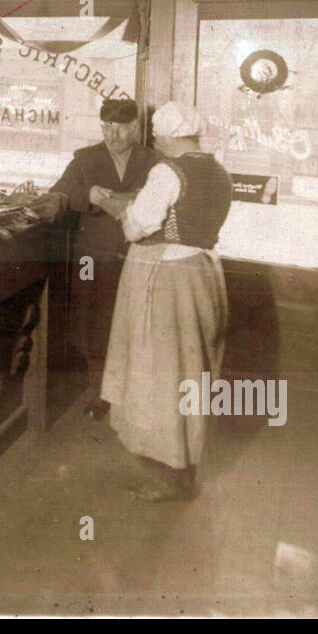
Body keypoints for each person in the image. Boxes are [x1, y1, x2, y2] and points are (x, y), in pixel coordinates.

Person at [97, 100, 234, 502]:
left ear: (172, 136)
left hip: (166, 276)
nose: (156, 140)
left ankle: (169, 470)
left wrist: (117, 208)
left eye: (158, 134)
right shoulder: (218, 169)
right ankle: (184, 463)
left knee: (159, 370)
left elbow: (139, 227)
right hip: (203, 272)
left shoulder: (166, 171)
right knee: (191, 369)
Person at [44, 98, 157, 419]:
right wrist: (86, 196)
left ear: (136, 127)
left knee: (139, 323)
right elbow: (58, 194)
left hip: (140, 254)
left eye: (122, 128)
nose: (114, 135)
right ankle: (102, 392)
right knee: (94, 323)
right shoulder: (85, 159)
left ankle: (135, 394)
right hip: (92, 257)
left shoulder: (154, 161)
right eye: (107, 127)